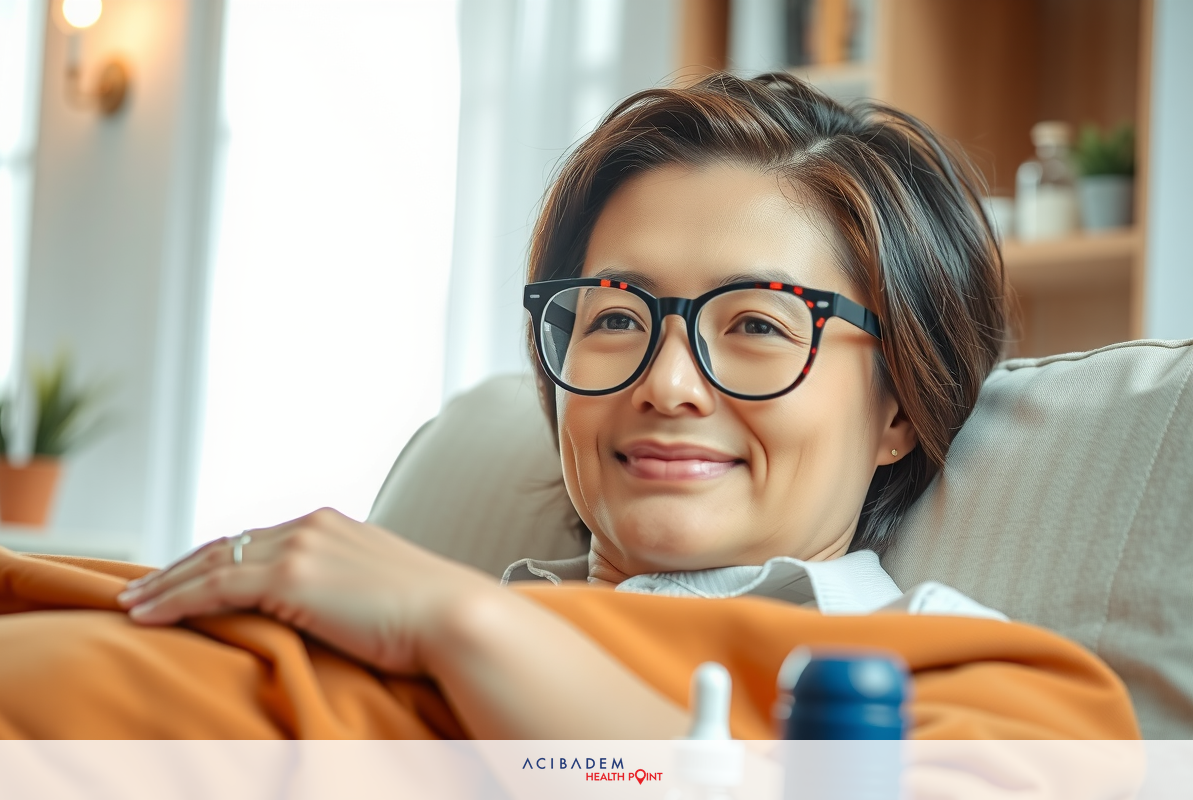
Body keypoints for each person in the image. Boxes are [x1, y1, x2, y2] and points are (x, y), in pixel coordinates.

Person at [115, 73, 1007, 739]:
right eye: (615, 317)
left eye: (757, 325)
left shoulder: (959, 675)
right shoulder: (388, 610)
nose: (667, 384)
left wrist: (466, 626)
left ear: (898, 409)